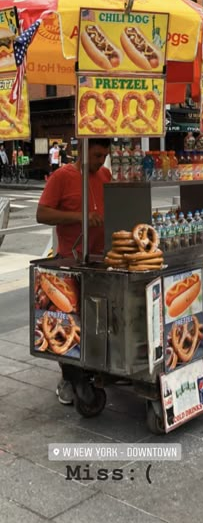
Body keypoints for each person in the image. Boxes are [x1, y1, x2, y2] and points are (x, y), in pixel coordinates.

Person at [36, 138, 111, 405]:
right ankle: (70, 378)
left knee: (96, 322)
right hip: (71, 259)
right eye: (98, 154)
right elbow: (42, 214)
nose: (102, 160)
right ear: (83, 150)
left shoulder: (105, 175)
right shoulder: (62, 176)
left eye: (105, 155)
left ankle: (93, 370)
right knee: (69, 324)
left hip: (102, 259)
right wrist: (80, 217)